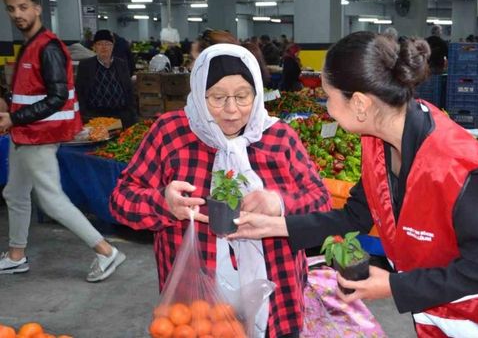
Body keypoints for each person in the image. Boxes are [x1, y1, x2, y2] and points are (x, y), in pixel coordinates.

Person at [231, 31, 478, 337]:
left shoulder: (454, 165)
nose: (326, 109)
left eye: (328, 98)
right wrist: (275, 225)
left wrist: (394, 286)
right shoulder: (379, 140)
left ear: (359, 103)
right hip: (443, 305)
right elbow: (356, 215)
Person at [109, 43, 331, 338]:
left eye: (242, 96)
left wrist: (279, 203)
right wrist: (163, 203)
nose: (231, 110)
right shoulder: (171, 133)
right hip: (196, 306)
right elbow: (121, 199)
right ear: (199, 94)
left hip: (276, 297)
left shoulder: (279, 137)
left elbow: (320, 200)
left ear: (257, 94)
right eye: (217, 97)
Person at [0, 0, 126, 282]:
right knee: (15, 192)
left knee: (52, 199)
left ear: (37, 8)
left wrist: (13, 118)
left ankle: (106, 251)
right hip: (24, 134)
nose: (17, 14)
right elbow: (32, 91)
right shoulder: (31, 46)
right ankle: (16, 255)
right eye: (11, 9)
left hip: (39, 136)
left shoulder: (49, 48)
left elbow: (56, 98)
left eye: (23, 7)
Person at [76, 29, 138, 128]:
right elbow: (80, 91)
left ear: (113, 46)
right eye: (100, 44)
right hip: (96, 116)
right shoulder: (86, 66)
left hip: (121, 115)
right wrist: (84, 115)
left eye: (107, 44)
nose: (104, 47)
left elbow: (129, 90)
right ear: (94, 47)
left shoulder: (121, 64)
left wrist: (132, 114)